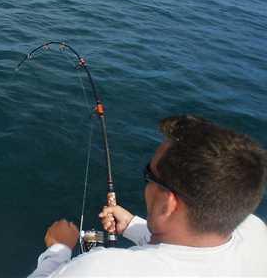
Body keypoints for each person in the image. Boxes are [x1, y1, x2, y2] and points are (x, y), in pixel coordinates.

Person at [28, 115, 267, 277]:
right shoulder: (256, 233)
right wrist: (132, 225)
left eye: (148, 174)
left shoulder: (99, 270)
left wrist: (59, 249)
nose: (146, 182)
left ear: (169, 203)